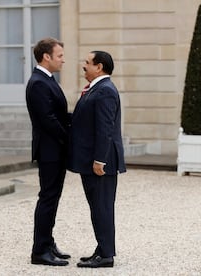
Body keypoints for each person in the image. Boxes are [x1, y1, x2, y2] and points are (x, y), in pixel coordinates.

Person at [68, 50, 126, 268]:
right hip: (90, 159)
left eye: (87, 63)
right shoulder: (96, 89)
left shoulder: (105, 91)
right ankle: (102, 248)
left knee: (102, 207)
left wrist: (99, 160)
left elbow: (105, 128)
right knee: (98, 206)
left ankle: (106, 255)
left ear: (99, 66)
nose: (84, 66)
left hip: (100, 162)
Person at [25, 38, 71, 266]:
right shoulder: (39, 83)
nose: (63, 60)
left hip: (55, 149)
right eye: (60, 55)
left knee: (52, 198)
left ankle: (47, 241)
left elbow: (59, 116)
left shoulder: (46, 80)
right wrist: (70, 138)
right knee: (48, 198)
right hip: (50, 150)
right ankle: (40, 250)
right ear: (47, 57)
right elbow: (48, 120)